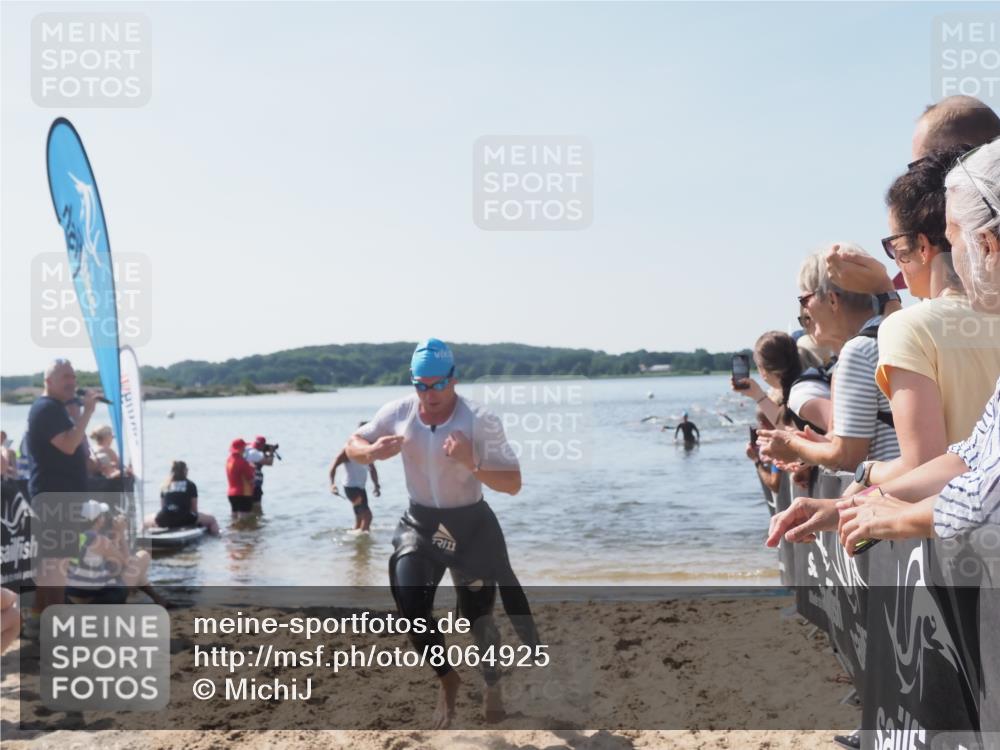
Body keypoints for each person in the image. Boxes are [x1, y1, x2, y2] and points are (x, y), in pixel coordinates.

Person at [768, 139, 1000, 550]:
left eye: (956, 241)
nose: (955, 261)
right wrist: (849, 508)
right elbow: (974, 456)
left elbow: (979, 490)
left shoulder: (906, 328)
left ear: (987, 245)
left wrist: (870, 491)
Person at [346, 338, 538, 729]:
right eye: (421, 384)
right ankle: (447, 679)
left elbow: (513, 483)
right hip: (421, 525)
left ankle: (492, 683)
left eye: (437, 384)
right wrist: (370, 452)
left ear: (454, 378)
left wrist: (473, 461)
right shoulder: (397, 412)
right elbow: (352, 444)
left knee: (476, 619)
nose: (429, 394)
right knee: (410, 607)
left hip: (471, 527)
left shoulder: (479, 419)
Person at [757, 248, 900, 472]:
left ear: (832, 300)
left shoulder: (858, 352)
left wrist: (792, 445)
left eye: (805, 299)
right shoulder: (897, 333)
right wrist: (811, 452)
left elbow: (848, 457)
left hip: (894, 496)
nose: (805, 311)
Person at [26, 360, 100, 617]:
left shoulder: (56, 409)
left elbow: (78, 449)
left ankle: (41, 618)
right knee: (56, 564)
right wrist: (88, 413)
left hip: (59, 495)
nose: (72, 382)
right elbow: (68, 445)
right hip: (54, 496)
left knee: (53, 563)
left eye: (74, 377)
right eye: (65, 377)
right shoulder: (46, 409)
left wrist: (78, 417)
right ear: (49, 381)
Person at [64, 499, 164, 606]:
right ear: (99, 520)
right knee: (143, 556)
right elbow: (127, 563)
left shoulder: (73, 538)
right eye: (102, 515)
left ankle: (158, 599)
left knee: (123, 572)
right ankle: (156, 599)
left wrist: (115, 539)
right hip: (96, 601)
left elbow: (110, 567)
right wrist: (121, 533)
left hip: (73, 598)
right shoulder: (99, 540)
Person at [734, 331, 832, 434]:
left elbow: (842, 427)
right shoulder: (804, 385)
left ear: (763, 370)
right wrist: (757, 394)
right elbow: (788, 428)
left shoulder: (801, 395)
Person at [330, 422, 381, 532]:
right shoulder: (348, 450)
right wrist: (332, 485)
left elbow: (372, 469)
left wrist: (376, 485)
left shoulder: (369, 450)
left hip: (361, 488)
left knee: (360, 518)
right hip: (351, 488)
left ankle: (356, 543)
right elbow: (333, 467)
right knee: (367, 517)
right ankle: (362, 544)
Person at [149, 460, 219, 536]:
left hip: (164, 519)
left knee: (145, 521)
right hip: (184, 519)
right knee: (212, 520)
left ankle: (141, 543)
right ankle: (216, 539)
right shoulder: (190, 485)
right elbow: (194, 509)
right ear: (185, 471)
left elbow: (163, 507)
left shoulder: (165, 485)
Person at [226, 438, 256, 519]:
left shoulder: (229, 460)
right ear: (240, 449)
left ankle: (233, 531)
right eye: (244, 448)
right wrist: (253, 469)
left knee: (234, 518)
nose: (245, 449)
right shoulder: (243, 462)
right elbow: (251, 479)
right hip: (243, 494)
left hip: (231, 494)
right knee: (245, 520)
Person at [244, 436, 275, 514]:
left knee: (246, 510)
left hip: (245, 484)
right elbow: (269, 462)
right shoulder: (256, 454)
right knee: (258, 510)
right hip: (256, 485)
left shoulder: (247, 450)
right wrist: (271, 452)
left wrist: (264, 451)